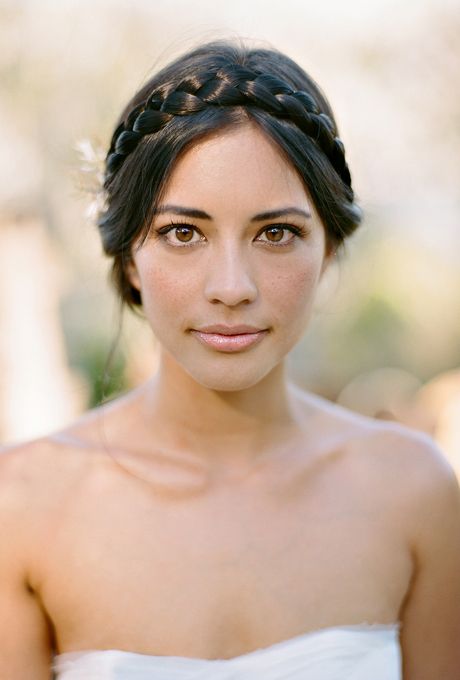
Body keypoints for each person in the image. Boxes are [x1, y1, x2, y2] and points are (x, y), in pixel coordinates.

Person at [1, 39, 459, 680]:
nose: (232, 286)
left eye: (276, 233)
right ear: (131, 257)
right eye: (182, 232)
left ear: (328, 250)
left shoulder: (417, 493)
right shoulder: (21, 503)